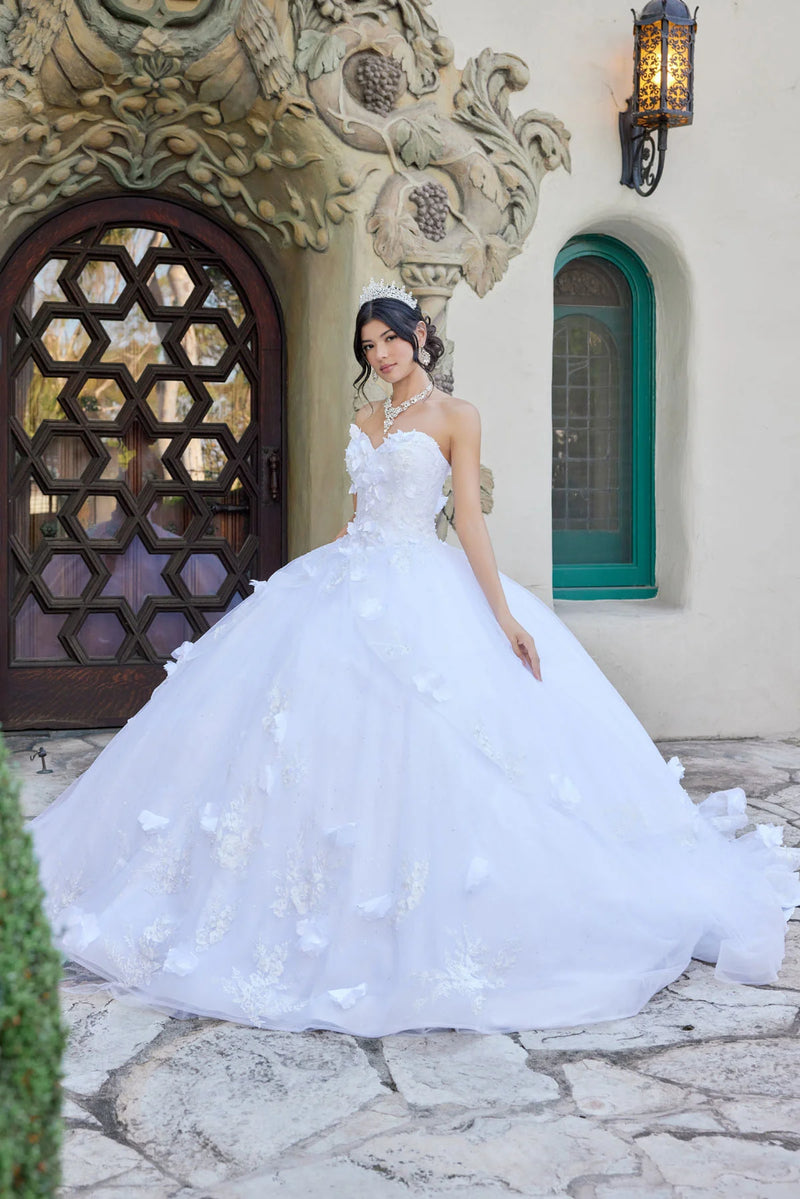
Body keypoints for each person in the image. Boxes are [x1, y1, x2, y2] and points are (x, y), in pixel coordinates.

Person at [30, 279, 799, 1037]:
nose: (383, 354)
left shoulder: (457, 416)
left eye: (392, 339)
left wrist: (501, 614)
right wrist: (302, 581)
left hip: (424, 583)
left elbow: (465, 517)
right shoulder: (364, 416)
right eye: (369, 346)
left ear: (419, 336)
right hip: (351, 577)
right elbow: (358, 517)